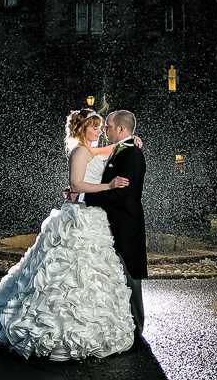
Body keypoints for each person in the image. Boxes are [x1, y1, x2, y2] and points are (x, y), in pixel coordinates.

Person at [0, 108, 136, 360]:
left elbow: (115, 148)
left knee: (92, 272)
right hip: (77, 217)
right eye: (95, 126)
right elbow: (77, 184)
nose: (100, 130)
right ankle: (54, 329)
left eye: (102, 126)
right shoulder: (79, 151)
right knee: (66, 272)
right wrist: (108, 185)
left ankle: (93, 324)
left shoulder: (92, 149)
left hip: (92, 215)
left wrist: (133, 140)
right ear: (83, 129)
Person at [82, 110, 147, 341]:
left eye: (108, 126)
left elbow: (121, 193)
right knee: (115, 278)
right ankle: (120, 326)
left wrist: (82, 198)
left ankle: (137, 331)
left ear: (121, 129)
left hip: (125, 225)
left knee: (130, 277)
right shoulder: (121, 149)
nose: (105, 130)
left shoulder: (131, 154)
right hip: (110, 224)